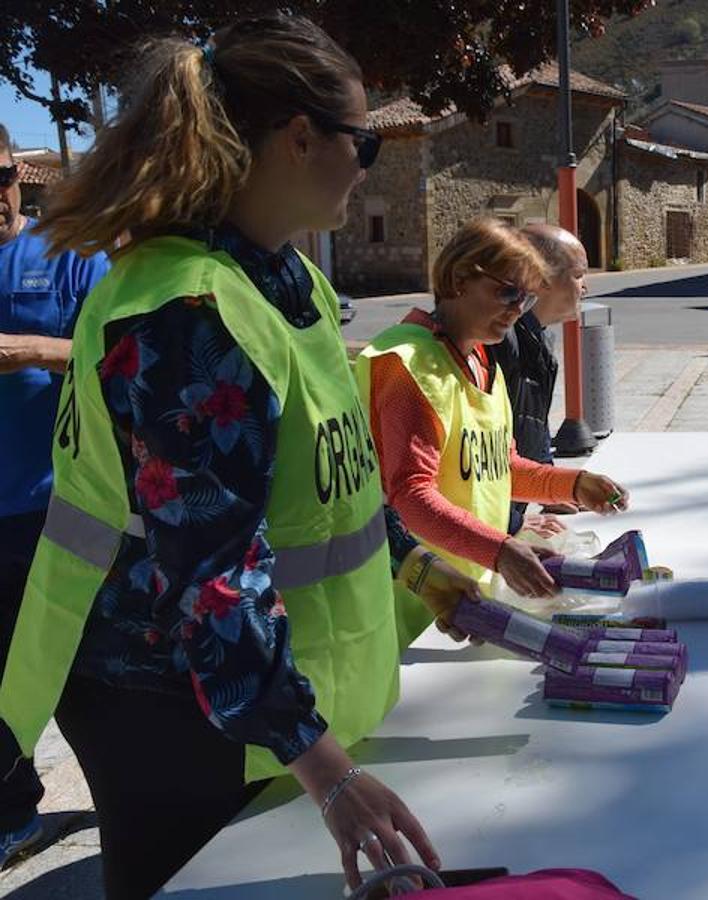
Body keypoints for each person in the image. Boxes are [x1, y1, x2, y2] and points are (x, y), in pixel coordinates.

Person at [0, 16, 481, 897]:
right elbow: (213, 576)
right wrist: (328, 771)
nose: (367, 164)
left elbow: (331, 491)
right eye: (364, 142)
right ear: (300, 138)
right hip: (171, 708)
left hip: (259, 701)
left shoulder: (284, 279)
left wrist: (430, 577)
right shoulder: (189, 313)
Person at [358, 218, 628, 602]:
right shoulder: (408, 363)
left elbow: (501, 469)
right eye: (507, 293)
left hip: (462, 591)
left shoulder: (483, 362)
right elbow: (411, 494)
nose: (517, 310)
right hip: (410, 596)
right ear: (458, 279)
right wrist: (499, 550)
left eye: (527, 299)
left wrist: (572, 484)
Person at [0, 125, 111, 866]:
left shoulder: (68, 255)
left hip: (54, 511)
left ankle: (133, 803)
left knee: (85, 680)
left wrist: (35, 350)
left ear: (16, 171)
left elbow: (120, 350)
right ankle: (15, 816)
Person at [490, 223, 589, 537]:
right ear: (540, 278)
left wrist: (551, 487)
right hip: (486, 534)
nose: (585, 287)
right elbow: (480, 456)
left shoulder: (538, 341)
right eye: (578, 275)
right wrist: (512, 524)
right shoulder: (499, 341)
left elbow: (531, 431)